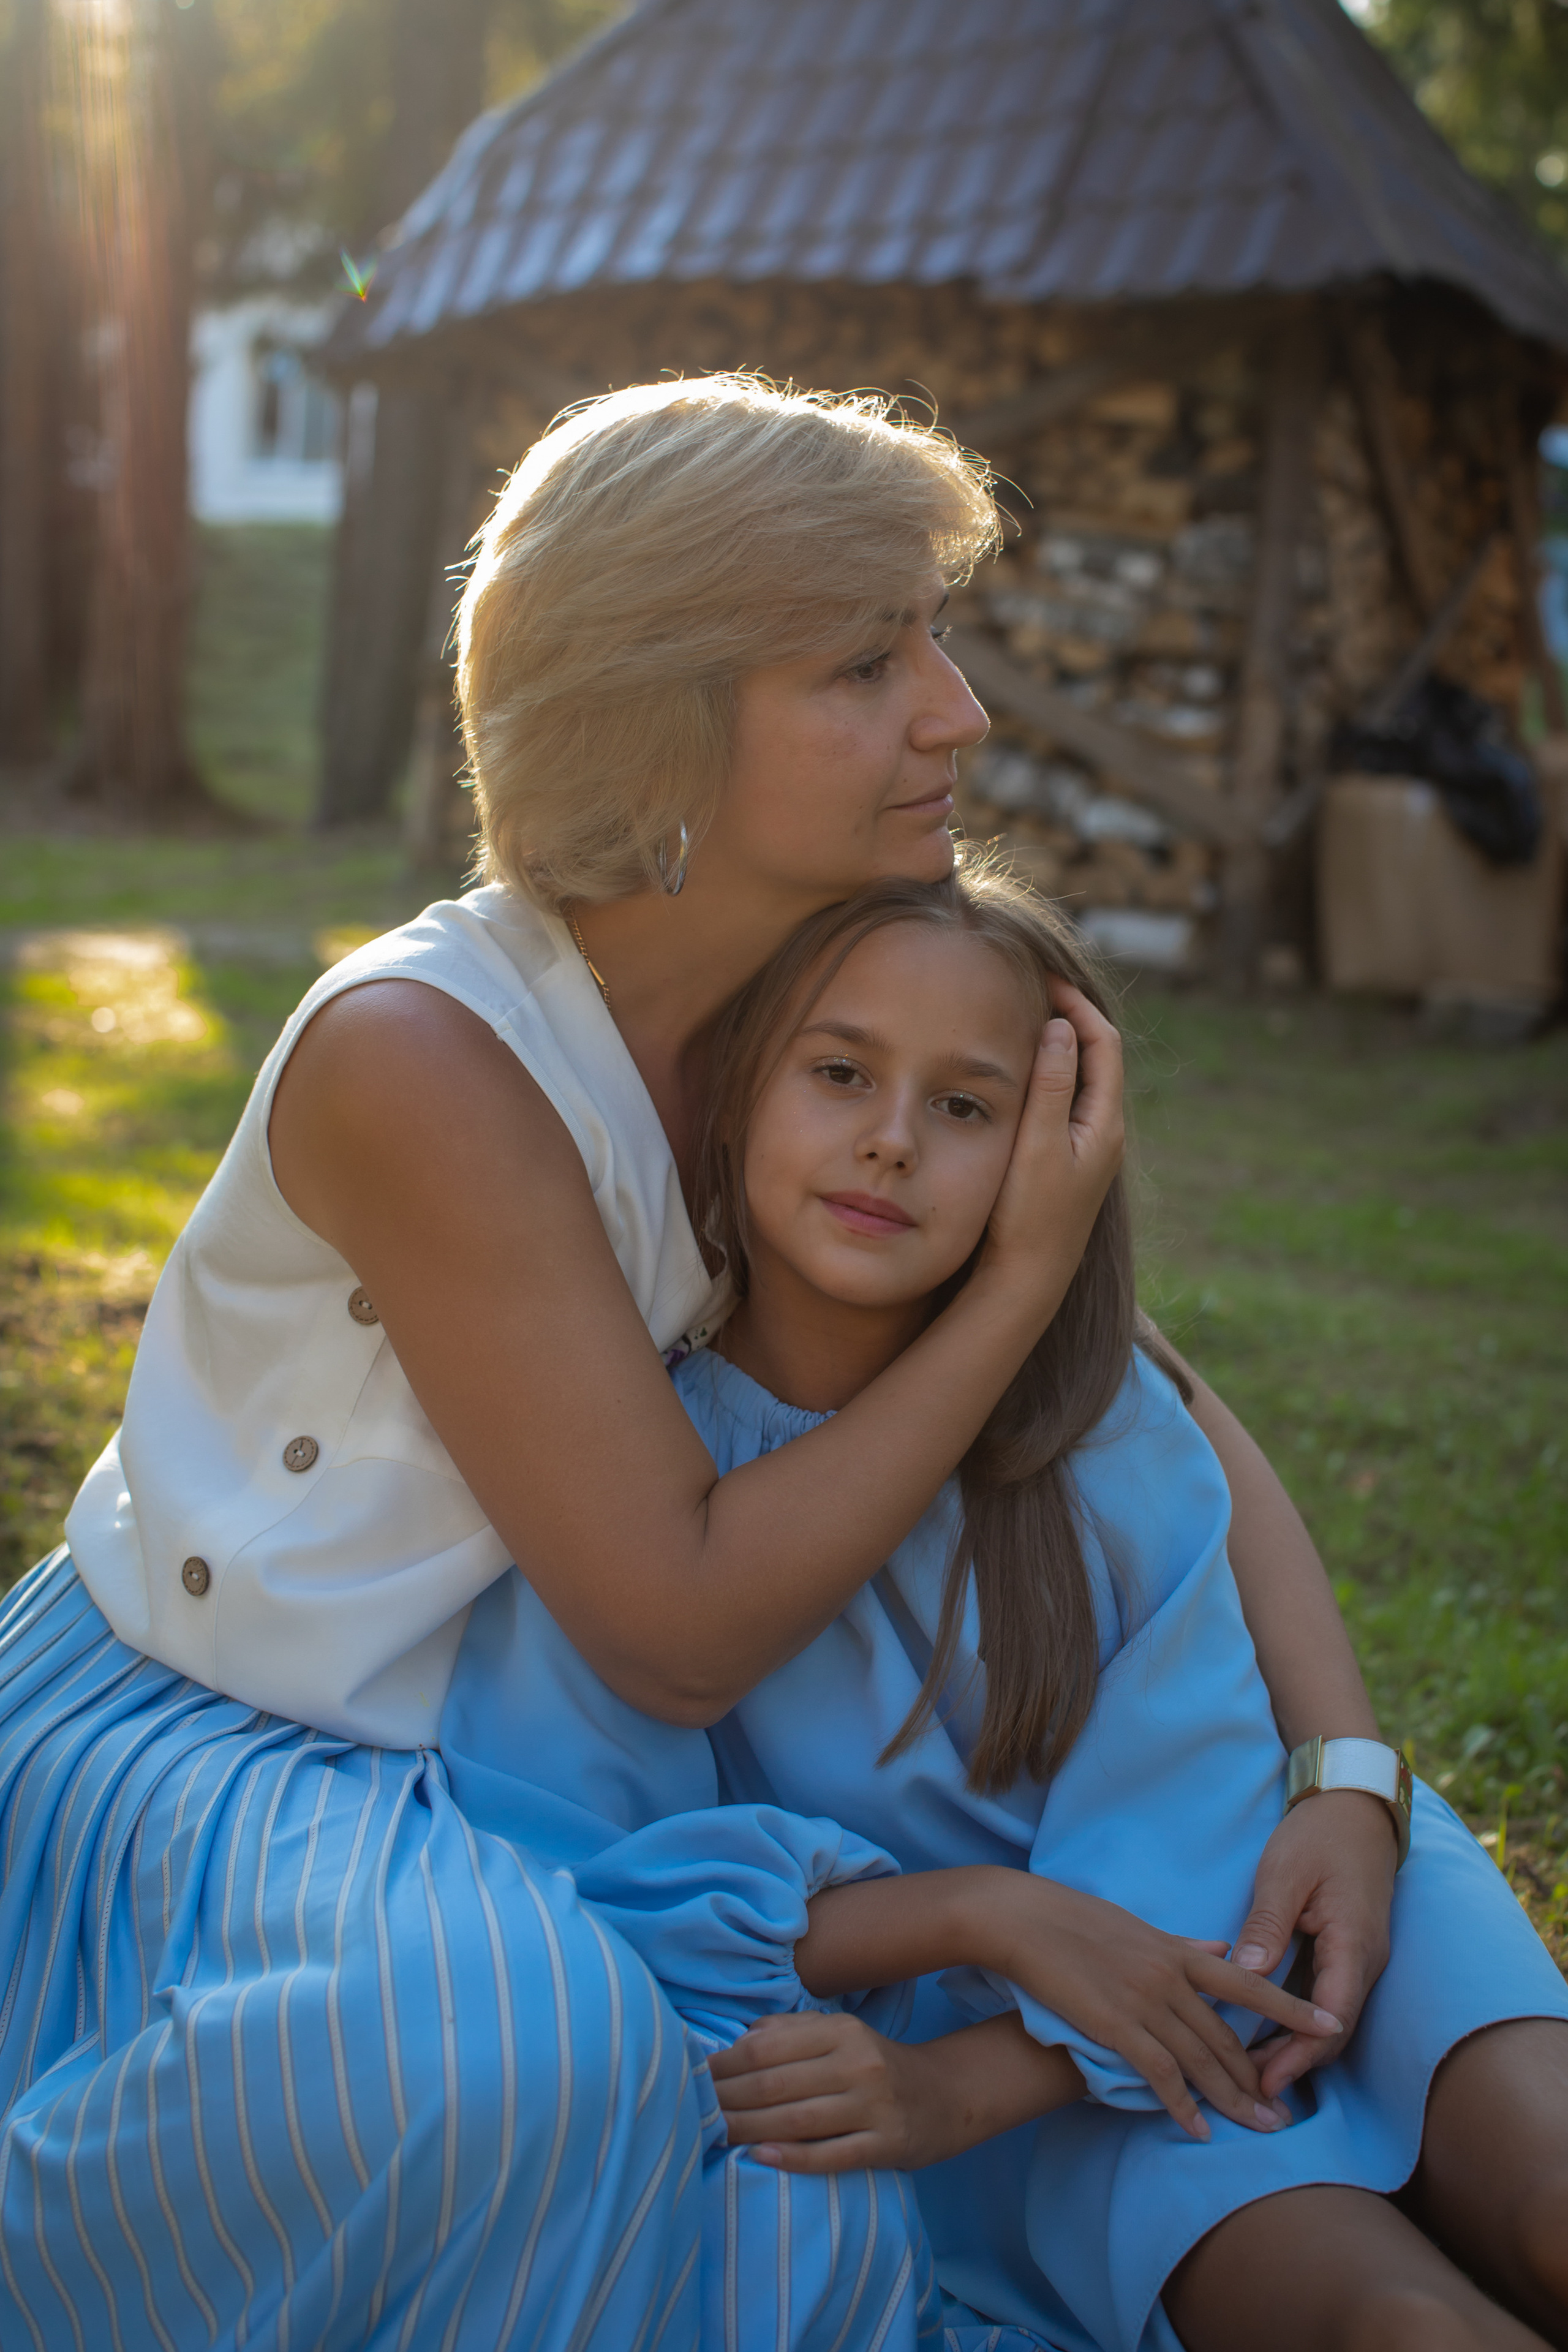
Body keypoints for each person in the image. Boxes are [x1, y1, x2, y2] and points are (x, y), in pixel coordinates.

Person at [0, 375, 1422, 2345]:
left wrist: (1345, 1768)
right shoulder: (429, 1057)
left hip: (562, 1768)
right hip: (256, 1735)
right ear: (656, 712)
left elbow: (1155, 1401)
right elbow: (676, 1627)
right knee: (532, 2056)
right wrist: (1008, 1283)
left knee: (786, 2173)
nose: (960, 710)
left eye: (931, 637)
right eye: (866, 658)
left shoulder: (817, 994)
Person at [442, 859, 1568, 2352]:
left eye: (966, 1107)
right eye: (839, 1072)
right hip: (1039, 2080)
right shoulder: (641, 1478)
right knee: (1400, 2330)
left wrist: (1345, 1796)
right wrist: (964, 2030)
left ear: (1055, 1158)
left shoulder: (1088, 1419)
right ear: (727, 1093)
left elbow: (1206, 1783)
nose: (891, 1143)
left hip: (1288, 1905)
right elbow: (592, 1877)